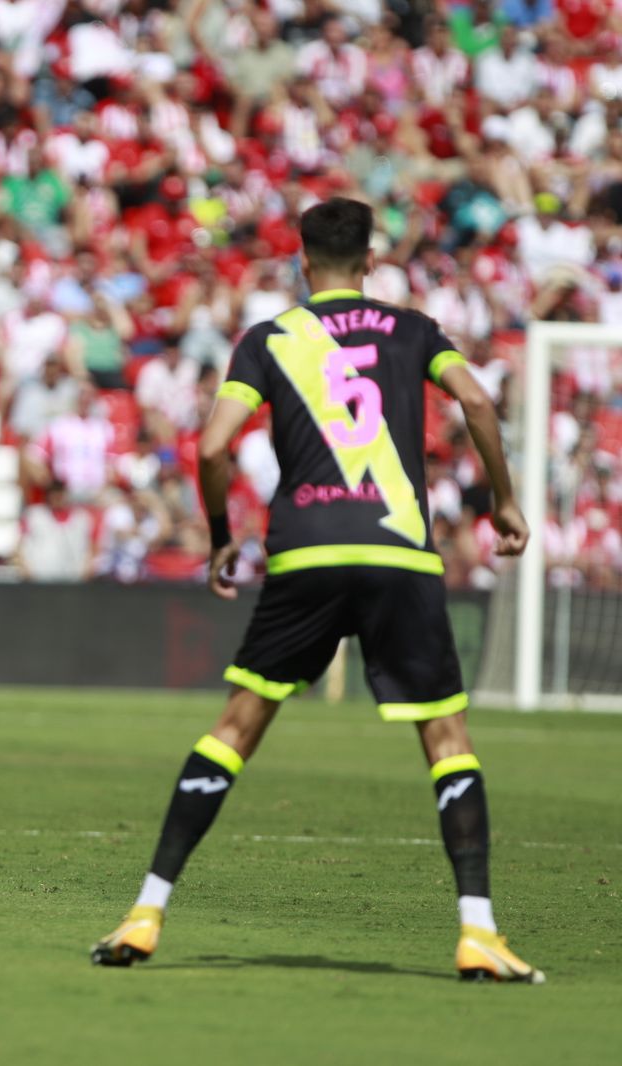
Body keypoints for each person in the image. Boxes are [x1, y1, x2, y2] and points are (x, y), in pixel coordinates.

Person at [90, 198, 544, 983]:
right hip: (400, 551)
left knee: (236, 725)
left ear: (304, 264)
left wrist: (222, 533)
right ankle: (478, 932)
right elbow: (473, 400)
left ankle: (147, 910)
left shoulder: (270, 339)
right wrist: (504, 501)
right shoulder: (413, 330)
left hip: (305, 550)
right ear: (370, 262)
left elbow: (214, 444)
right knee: (446, 737)